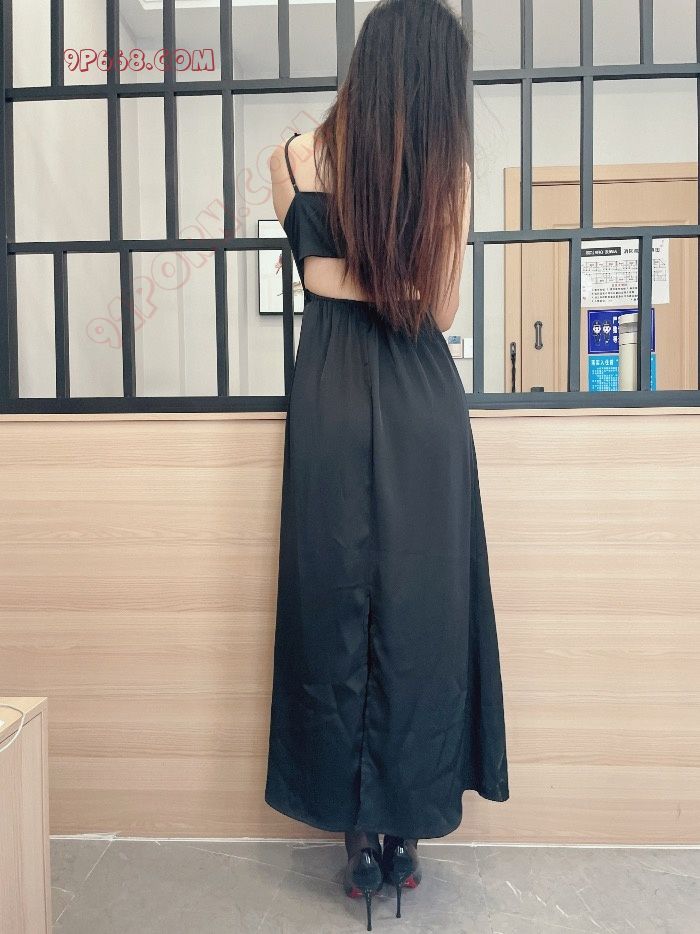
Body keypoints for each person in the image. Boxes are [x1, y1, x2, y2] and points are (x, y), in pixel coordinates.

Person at [265, 0, 509, 928]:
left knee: (332, 605)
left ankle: (357, 835)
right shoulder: (445, 175)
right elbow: (435, 307)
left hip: (328, 395)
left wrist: (339, 273)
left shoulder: (293, 159)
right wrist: (390, 272)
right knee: (422, 612)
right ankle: (404, 826)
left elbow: (318, 278)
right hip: (418, 400)